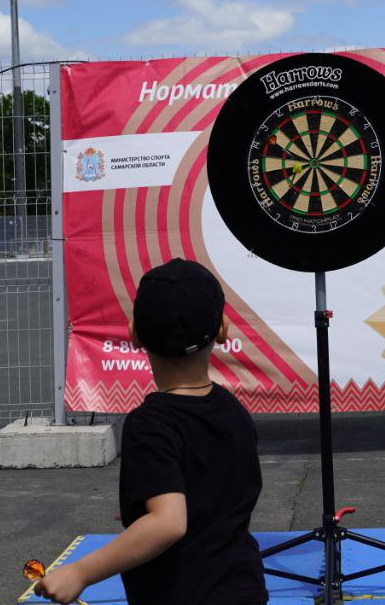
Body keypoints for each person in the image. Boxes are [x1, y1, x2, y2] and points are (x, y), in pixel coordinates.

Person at [39, 259, 267, 605]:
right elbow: (220, 494)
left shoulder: (150, 425)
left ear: (134, 334)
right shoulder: (234, 412)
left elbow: (169, 523)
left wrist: (80, 572)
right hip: (244, 589)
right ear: (223, 330)